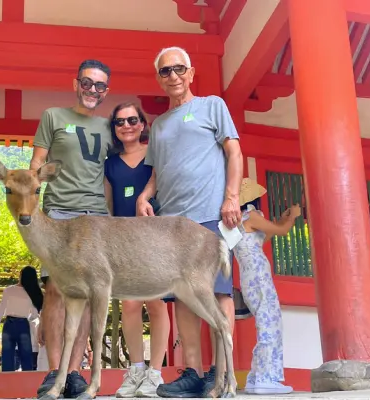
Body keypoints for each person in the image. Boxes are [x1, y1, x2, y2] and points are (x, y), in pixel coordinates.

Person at [136, 46, 243, 398]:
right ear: (159, 79)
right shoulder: (160, 124)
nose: (173, 76)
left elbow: (233, 151)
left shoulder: (213, 106)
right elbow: (157, 170)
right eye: (165, 71)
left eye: (179, 69)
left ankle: (224, 372)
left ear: (191, 72)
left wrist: (231, 197)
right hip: (172, 225)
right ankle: (194, 373)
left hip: (212, 214)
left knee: (219, 292)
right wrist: (144, 196)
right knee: (182, 296)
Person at [30, 59, 113, 398]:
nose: (93, 90)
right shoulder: (53, 116)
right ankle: (54, 371)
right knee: (55, 290)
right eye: (88, 82)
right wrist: (32, 200)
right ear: (76, 83)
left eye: (100, 86)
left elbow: (117, 171)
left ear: (106, 91)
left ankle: (74, 372)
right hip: (59, 211)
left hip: (95, 216)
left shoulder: (110, 127)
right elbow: (37, 161)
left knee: (88, 295)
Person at [104, 102, 170, 398]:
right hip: (122, 240)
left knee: (156, 303)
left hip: (154, 237)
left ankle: (155, 373)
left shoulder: (154, 156)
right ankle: (135, 370)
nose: (127, 125)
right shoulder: (110, 163)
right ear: (114, 128)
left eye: (133, 119)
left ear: (143, 124)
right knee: (129, 305)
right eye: (120, 122)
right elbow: (108, 203)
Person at [234, 178, 300, 395]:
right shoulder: (252, 216)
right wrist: (294, 217)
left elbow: (266, 235)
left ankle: (256, 377)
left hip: (248, 275)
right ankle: (266, 377)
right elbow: (281, 232)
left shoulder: (238, 220)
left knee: (265, 321)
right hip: (259, 273)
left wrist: (282, 220)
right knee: (270, 323)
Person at [0, 266, 43, 372]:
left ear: (21, 275)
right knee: (26, 358)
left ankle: (7, 384)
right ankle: (27, 384)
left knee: (7, 358)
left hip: (9, 324)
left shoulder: (9, 290)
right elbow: (35, 314)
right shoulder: (32, 293)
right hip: (23, 324)